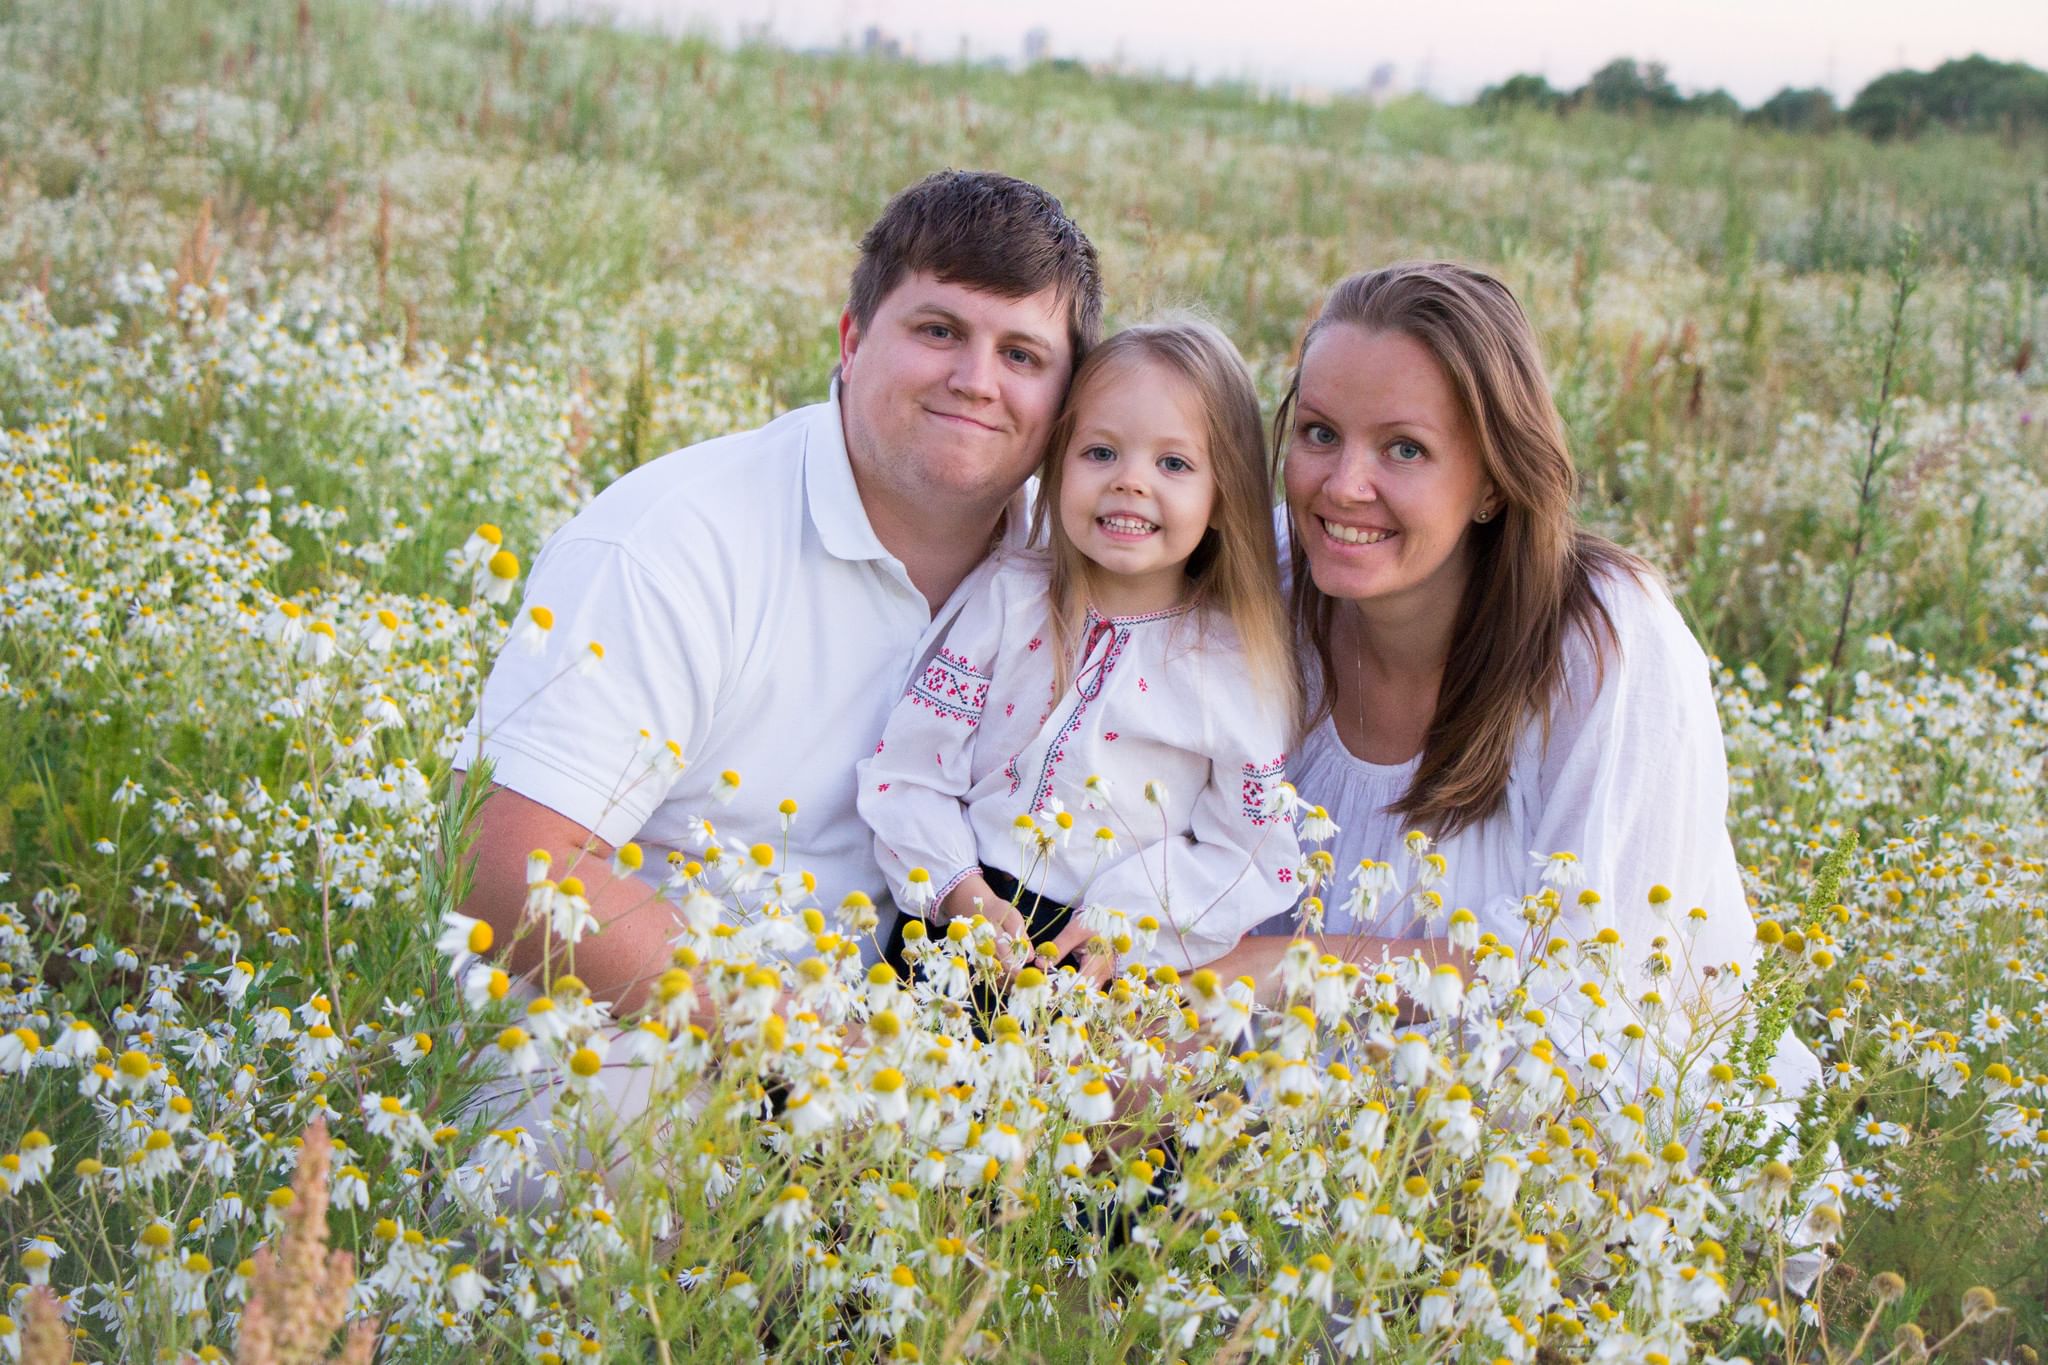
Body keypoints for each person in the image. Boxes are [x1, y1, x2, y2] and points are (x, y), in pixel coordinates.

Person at [452, 171, 1102, 1020]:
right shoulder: (676, 540)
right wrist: (809, 1054)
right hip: (630, 1065)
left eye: (1022, 355)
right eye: (939, 330)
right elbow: (504, 861)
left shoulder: (1081, 577)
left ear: (1066, 400)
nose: (977, 380)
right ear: (852, 338)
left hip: (910, 1079)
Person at [1213, 262, 1818, 1104]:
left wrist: (1296, 966)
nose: (1343, 485)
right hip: (1291, 1160)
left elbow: (1592, 1000)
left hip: (1572, 1165)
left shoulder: (1605, 643)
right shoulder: (1268, 579)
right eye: (1319, 432)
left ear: (1494, 481)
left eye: (1405, 448)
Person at [857, 321, 1301, 991]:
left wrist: (1128, 916)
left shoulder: (1229, 665)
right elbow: (911, 766)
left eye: (1173, 463)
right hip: (959, 918)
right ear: (1058, 463)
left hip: (1103, 958)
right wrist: (957, 889)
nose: (1131, 482)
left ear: (1222, 496)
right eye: (1100, 452)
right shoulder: (1012, 597)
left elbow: (1249, 854)